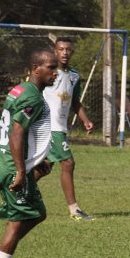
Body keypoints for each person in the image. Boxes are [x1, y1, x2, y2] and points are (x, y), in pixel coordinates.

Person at [0, 49, 59, 258]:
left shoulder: (21, 89)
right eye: (51, 68)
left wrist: (36, 160)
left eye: (56, 68)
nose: (55, 73)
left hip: (8, 159)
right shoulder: (32, 97)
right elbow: (16, 133)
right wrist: (20, 170)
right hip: (12, 163)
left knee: (37, 213)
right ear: (36, 68)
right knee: (18, 219)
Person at [45, 37, 96, 220]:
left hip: (60, 126)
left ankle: (15, 192)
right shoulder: (47, 72)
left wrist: (85, 120)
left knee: (44, 167)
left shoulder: (74, 76)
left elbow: (75, 101)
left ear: (72, 52)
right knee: (68, 162)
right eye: (61, 49)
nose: (65, 52)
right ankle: (74, 210)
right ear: (55, 51)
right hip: (49, 125)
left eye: (68, 49)